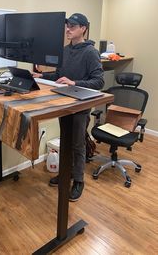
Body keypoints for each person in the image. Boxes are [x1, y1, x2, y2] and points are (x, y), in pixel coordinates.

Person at [33, 13, 104, 202]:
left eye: (72, 26)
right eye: (67, 26)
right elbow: (59, 75)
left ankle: (79, 180)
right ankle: (67, 174)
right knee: (65, 140)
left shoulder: (91, 53)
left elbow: (98, 81)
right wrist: (42, 77)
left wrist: (74, 82)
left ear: (83, 28)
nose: (68, 29)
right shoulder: (64, 50)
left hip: (80, 105)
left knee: (77, 143)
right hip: (63, 102)